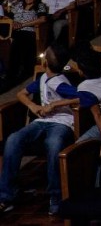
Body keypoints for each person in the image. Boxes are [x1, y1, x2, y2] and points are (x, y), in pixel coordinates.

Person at [0, 44, 75, 216]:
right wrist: (33, 106)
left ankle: (55, 196)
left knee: (53, 143)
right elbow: (20, 94)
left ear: (46, 64)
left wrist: (56, 104)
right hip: (42, 120)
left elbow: (80, 96)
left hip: (62, 122)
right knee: (14, 138)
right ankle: (6, 195)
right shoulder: (43, 79)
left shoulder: (59, 83)